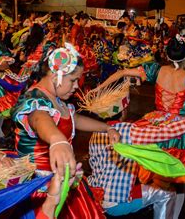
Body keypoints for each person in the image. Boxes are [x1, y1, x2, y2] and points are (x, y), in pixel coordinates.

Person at [96, 35, 185, 216]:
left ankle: (158, 203)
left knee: (157, 167)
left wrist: (98, 88)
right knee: (176, 174)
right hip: (178, 128)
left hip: (155, 123)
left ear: (167, 54)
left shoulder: (156, 69)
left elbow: (122, 72)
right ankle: (167, 210)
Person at [11, 43, 119, 218]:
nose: (77, 86)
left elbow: (72, 119)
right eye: (73, 80)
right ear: (56, 76)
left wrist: (106, 128)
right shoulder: (34, 99)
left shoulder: (56, 99)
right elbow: (39, 118)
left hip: (62, 180)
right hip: (41, 188)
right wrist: (57, 140)